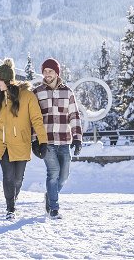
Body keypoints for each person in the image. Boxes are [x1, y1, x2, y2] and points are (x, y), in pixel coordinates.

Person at [0, 58, 48, 220]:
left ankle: (13, 200)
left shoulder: (27, 96)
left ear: (6, 80)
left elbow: (37, 120)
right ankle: (10, 208)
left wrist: (43, 142)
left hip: (21, 143)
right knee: (8, 176)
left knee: (18, 179)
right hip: (3, 144)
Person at [32, 57, 83, 219]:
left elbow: (74, 115)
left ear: (57, 73)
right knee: (53, 172)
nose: (47, 74)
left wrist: (77, 138)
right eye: (45, 71)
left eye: (50, 71)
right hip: (46, 141)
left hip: (64, 140)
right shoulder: (37, 92)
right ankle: (54, 208)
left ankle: (50, 195)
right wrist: (35, 140)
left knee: (64, 175)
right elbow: (33, 118)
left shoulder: (67, 92)